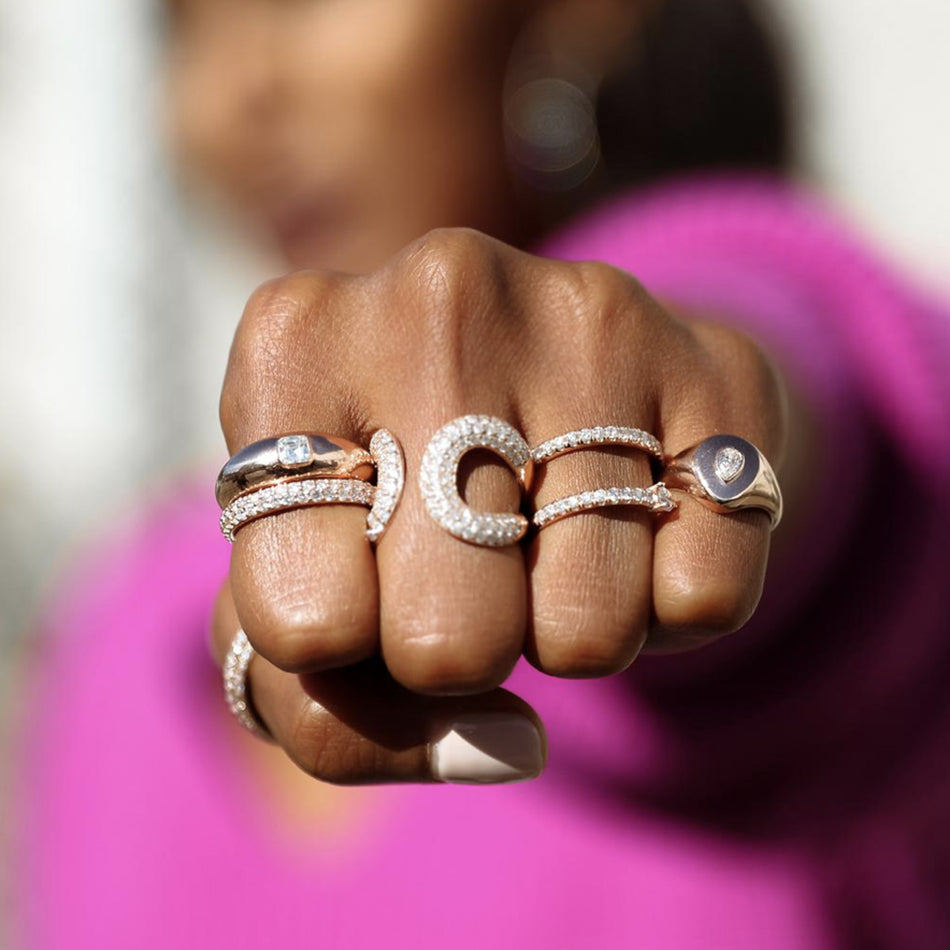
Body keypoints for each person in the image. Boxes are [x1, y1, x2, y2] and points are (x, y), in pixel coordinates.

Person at [10, 0, 950, 947]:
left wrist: (711, 414)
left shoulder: (725, 396)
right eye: (181, 28)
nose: (232, 95)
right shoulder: (118, 625)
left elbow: (845, 463)